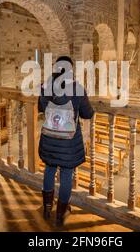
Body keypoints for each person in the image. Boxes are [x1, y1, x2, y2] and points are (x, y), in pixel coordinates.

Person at [39, 56, 94, 226]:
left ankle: (47, 207)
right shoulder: (77, 88)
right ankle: (60, 215)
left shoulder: (46, 86)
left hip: (49, 139)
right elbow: (87, 113)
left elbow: (41, 108)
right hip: (68, 143)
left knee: (49, 170)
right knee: (66, 175)